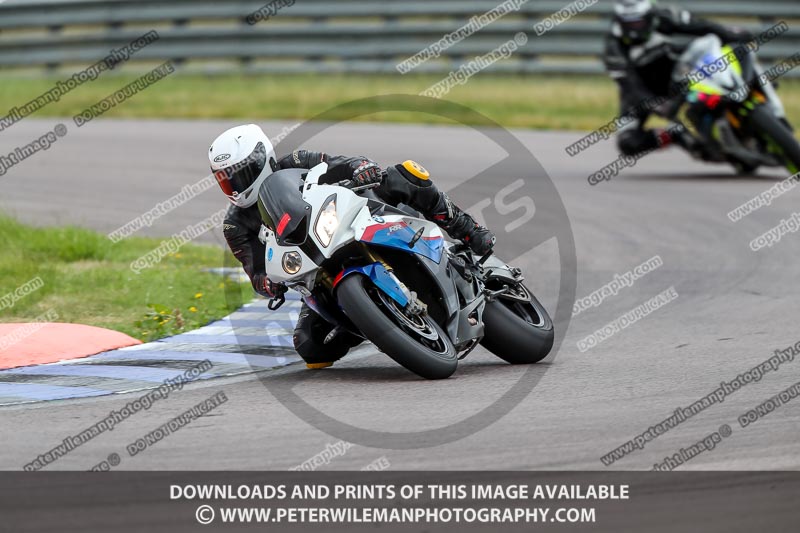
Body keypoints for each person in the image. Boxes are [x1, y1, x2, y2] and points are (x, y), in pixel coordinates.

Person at [209, 123, 495, 367]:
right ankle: (372, 320)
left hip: (354, 220)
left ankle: (468, 229)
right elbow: (255, 270)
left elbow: (341, 163)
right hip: (316, 271)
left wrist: (362, 168)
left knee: (404, 174)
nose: (234, 185)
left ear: (263, 159)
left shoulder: (295, 161)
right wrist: (268, 283)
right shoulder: (235, 225)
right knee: (310, 347)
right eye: (225, 179)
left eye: (239, 174)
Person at [604, 0, 754, 160]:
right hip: (643, 93)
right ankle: (676, 135)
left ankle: (747, 90)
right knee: (628, 142)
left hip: (679, 74)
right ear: (619, 21)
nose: (634, 28)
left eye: (638, 22)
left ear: (649, 16)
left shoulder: (664, 17)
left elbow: (700, 25)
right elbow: (629, 86)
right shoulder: (614, 48)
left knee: (730, 51)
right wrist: (655, 105)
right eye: (629, 24)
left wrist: (729, 33)